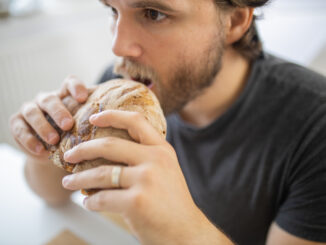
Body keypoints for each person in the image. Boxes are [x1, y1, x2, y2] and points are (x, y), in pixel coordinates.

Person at [9, 0, 326, 244]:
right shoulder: (120, 86)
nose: (118, 48)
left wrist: (187, 231)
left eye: (153, 13)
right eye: (112, 11)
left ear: (234, 21)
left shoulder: (316, 129)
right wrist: (47, 141)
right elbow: (50, 193)